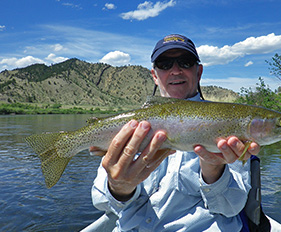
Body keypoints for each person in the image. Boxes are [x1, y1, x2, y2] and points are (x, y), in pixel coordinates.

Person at [91, 34, 261, 231]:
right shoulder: (130, 127)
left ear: (199, 72)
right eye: (164, 64)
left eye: (185, 62)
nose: (175, 70)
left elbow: (231, 208)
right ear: (154, 75)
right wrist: (119, 188)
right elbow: (101, 201)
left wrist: (214, 171)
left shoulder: (229, 122)